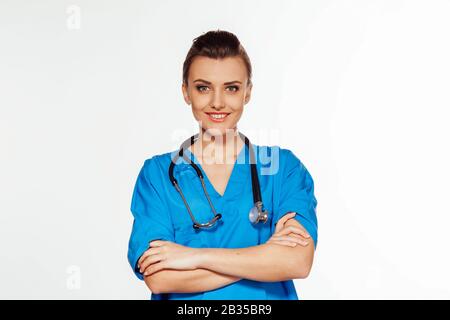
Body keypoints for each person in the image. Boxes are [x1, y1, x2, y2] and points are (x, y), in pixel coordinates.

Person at [127, 29, 318, 300]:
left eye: (231, 88)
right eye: (203, 88)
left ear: (247, 93)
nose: (217, 102)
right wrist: (264, 257)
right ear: (186, 92)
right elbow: (159, 278)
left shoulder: (282, 169)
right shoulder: (156, 176)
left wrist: (192, 257)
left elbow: (296, 262)